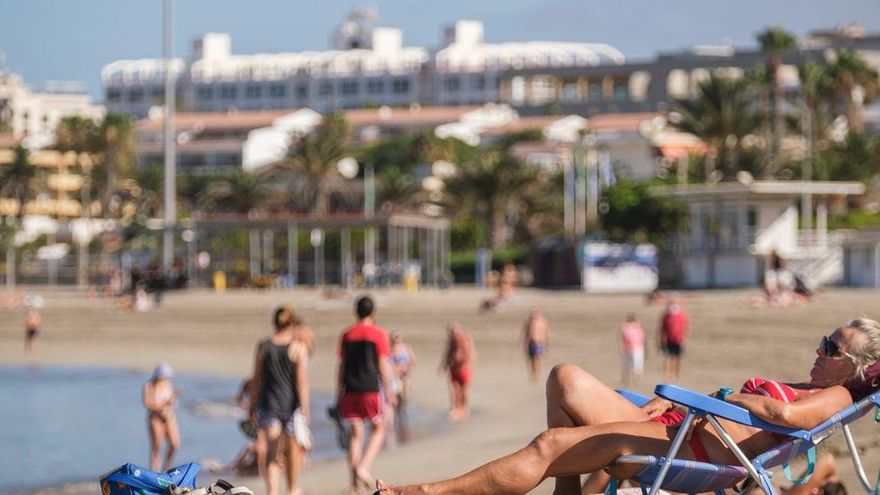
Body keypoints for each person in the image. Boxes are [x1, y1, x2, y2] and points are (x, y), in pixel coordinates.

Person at [374, 318, 880, 495]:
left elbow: (786, 418)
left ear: (856, 368)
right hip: (678, 424)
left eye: (832, 348)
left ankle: (423, 492)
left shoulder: (835, 396)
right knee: (564, 377)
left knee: (552, 442)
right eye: (822, 341)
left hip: (690, 447)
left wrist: (725, 398)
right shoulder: (818, 384)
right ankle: (568, 492)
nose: (820, 350)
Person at [337, 295, 396, 492]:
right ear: (374, 312)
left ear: (356, 311)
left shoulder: (347, 334)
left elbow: (342, 365)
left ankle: (354, 483)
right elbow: (382, 365)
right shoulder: (379, 334)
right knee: (379, 429)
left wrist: (338, 392)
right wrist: (388, 392)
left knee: (355, 436)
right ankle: (363, 467)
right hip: (370, 389)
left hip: (349, 390)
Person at [250, 306, 311, 495]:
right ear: (291, 323)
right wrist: (305, 408)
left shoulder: (263, 346)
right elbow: (301, 381)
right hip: (290, 406)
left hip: (268, 405)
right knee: (292, 452)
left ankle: (272, 492)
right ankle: (292, 489)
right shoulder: (298, 348)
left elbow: (256, 378)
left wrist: (252, 405)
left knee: (272, 453)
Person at [143, 363, 181, 471]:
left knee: (175, 444)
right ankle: (155, 472)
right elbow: (148, 404)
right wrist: (164, 404)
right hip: (155, 418)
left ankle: (166, 469)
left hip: (169, 416)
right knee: (157, 447)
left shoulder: (167, 383)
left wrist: (172, 400)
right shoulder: (149, 385)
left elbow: (171, 401)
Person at [440, 323, 476, 421]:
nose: (452, 335)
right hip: (454, 368)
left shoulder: (465, 339)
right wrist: (444, 365)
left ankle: (465, 409)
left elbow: (471, 353)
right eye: (451, 333)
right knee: (454, 389)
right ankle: (455, 409)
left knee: (464, 389)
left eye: (453, 332)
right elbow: (448, 353)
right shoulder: (452, 342)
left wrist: (467, 365)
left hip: (463, 368)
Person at [389, 333, 416, 443]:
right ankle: (395, 417)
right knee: (394, 397)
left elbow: (413, 361)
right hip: (394, 377)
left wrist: (406, 368)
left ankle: (402, 414)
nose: (397, 341)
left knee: (404, 397)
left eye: (398, 338)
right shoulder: (389, 350)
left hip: (404, 377)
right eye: (395, 338)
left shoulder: (406, 348)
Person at [659, 298, 689, 380]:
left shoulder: (682, 315)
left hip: (678, 339)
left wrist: (685, 337)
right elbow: (663, 328)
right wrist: (662, 338)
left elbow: (686, 327)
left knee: (677, 358)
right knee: (668, 357)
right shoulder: (666, 315)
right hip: (669, 339)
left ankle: (675, 373)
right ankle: (667, 373)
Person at [522, 309, 549, 383]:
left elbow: (545, 334)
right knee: (531, 360)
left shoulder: (543, 322)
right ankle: (533, 374)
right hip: (531, 343)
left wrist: (546, 344)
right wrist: (525, 344)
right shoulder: (529, 323)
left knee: (537, 359)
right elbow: (526, 335)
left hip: (539, 343)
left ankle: (537, 375)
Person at [619, 313, 646, 385]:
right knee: (630, 364)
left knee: (638, 364)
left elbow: (643, 338)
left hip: (638, 347)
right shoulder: (625, 327)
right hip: (629, 348)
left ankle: (638, 378)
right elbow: (622, 339)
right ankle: (631, 379)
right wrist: (621, 348)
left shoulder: (639, 327)